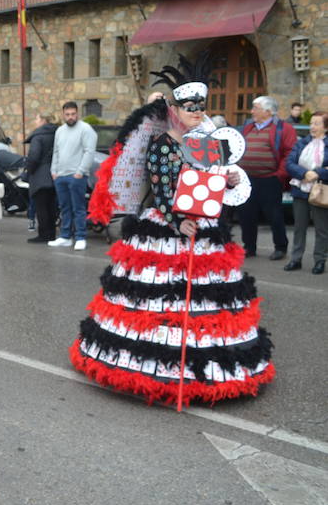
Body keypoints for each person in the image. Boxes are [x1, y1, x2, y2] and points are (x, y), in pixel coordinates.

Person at [75, 52, 273, 406]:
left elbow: (213, 181)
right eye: (189, 107)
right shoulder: (162, 143)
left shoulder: (207, 141)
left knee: (207, 299)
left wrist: (226, 177)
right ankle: (158, 372)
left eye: (200, 107)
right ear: (175, 110)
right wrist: (177, 220)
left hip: (205, 226)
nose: (196, 112)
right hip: (168, 227)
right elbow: (163, 188)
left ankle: (208, 371)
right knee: (161, 296)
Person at [238, 96, 295, 259]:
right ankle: (249, 247)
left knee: (274, 215)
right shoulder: (248, 127)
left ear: (268, 111)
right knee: (246, 214)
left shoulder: (284, 129)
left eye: (255, 108)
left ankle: (280, 247)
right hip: (247, 179)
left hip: (270, 179)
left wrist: (279, 175)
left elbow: (289, 153)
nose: (252, 111)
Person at [284, 111, 328, 274]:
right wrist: (304, 174)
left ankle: (320, 260)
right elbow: (289, 163)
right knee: (299, 227)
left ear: (325, 127)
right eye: (312, 123)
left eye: (317, 123)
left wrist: (318, 173)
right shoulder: (301, 143)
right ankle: (295, 259)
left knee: (322, 229)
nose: (312, 127)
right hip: (300, 190)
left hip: (321, 190)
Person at [49, 101, 96, 250]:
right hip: (60, 176)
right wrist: (54, 171)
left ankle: (80, 237)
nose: (70, 117)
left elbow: (89, 152)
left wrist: (80, 172)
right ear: (63, 114)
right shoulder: (60, 131)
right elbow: (56, 151)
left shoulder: (86, 129)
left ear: (77, 113)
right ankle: (65, 237)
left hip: (77, 176)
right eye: (67, 114)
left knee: (78, 208)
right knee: (64, 208)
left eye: (73, 114)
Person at [23, 113, 58, 243]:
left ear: (43, 120)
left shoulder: (38, 136)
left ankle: (43, 235)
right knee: (51, 206)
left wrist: (29, 170)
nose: (35, 121)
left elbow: (34, 156)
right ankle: (52, 234)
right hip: (54, 174)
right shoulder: (57, 133)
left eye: (37, 119)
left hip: (40, 175)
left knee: (41, 207)